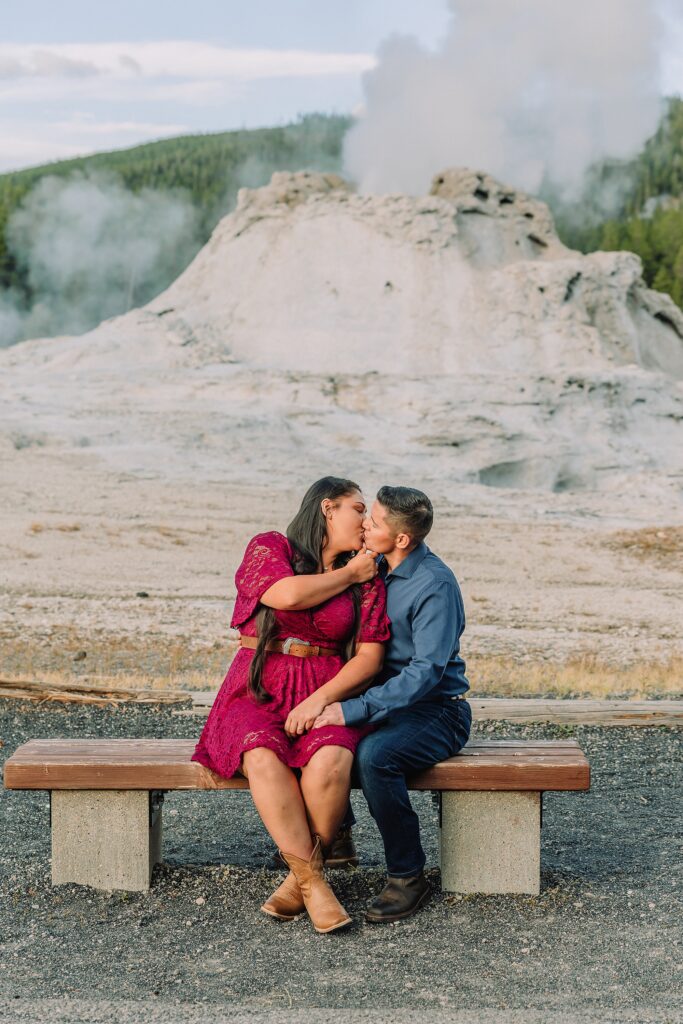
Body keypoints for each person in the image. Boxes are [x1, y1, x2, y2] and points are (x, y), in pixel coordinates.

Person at [191, 477, 390, 934]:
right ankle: (316, 884)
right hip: (257, 684)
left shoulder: (368, 578)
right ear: (327, 508)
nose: (366, 521)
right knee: (259, 752)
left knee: (332, 759)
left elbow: (369, 657)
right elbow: (285, 595)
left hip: (325, 687)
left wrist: (322, 699)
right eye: (358, 509)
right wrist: (348, 574)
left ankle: (298, 880)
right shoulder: (271, 547)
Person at [313, 485, 472, 923]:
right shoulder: (371, 567)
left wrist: (355, 708)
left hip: (436, 710)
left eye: (375, 521)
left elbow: (426, 673)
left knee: (375, 756)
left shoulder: (434, 585)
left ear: (402, 539)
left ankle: (407, 875)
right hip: (379, 699)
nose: (365, 523)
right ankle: (336, 840)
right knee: (317, 733)